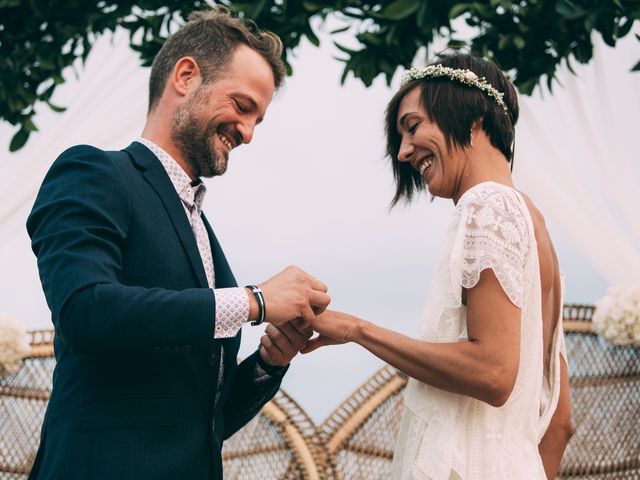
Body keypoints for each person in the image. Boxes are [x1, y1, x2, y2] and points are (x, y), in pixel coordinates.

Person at [26, 7, 330, 480]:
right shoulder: (93, 172)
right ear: (186, 76)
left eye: (258, 122)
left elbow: (204, 423)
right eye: (242, 106)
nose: (248, 133)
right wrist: (254, 302)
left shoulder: (205, 236)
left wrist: (270, 361)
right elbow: (85, 310)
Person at [302, 53, 573, 479]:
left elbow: (494, 371)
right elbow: (559, 424)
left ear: (474, 118)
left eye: (413, 127)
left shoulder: (487, 205)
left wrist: (359, 330)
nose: (406, 151)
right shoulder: (538, 231)